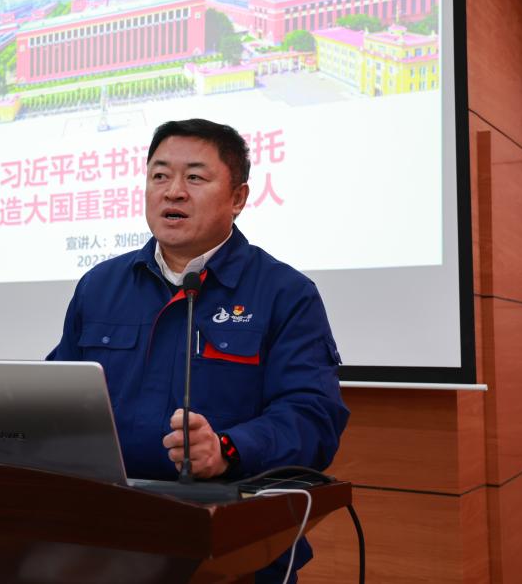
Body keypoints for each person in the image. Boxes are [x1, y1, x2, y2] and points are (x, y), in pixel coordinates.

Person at [47, 118, 348, 580]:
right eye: (160, 175)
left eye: (194, 177)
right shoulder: (100, 286)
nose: (173, 192)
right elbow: (57, 395)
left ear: (238, 198)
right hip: (104, 537)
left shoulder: (285, 293)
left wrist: (228, 448)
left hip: (233, 544)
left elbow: (313, 416)